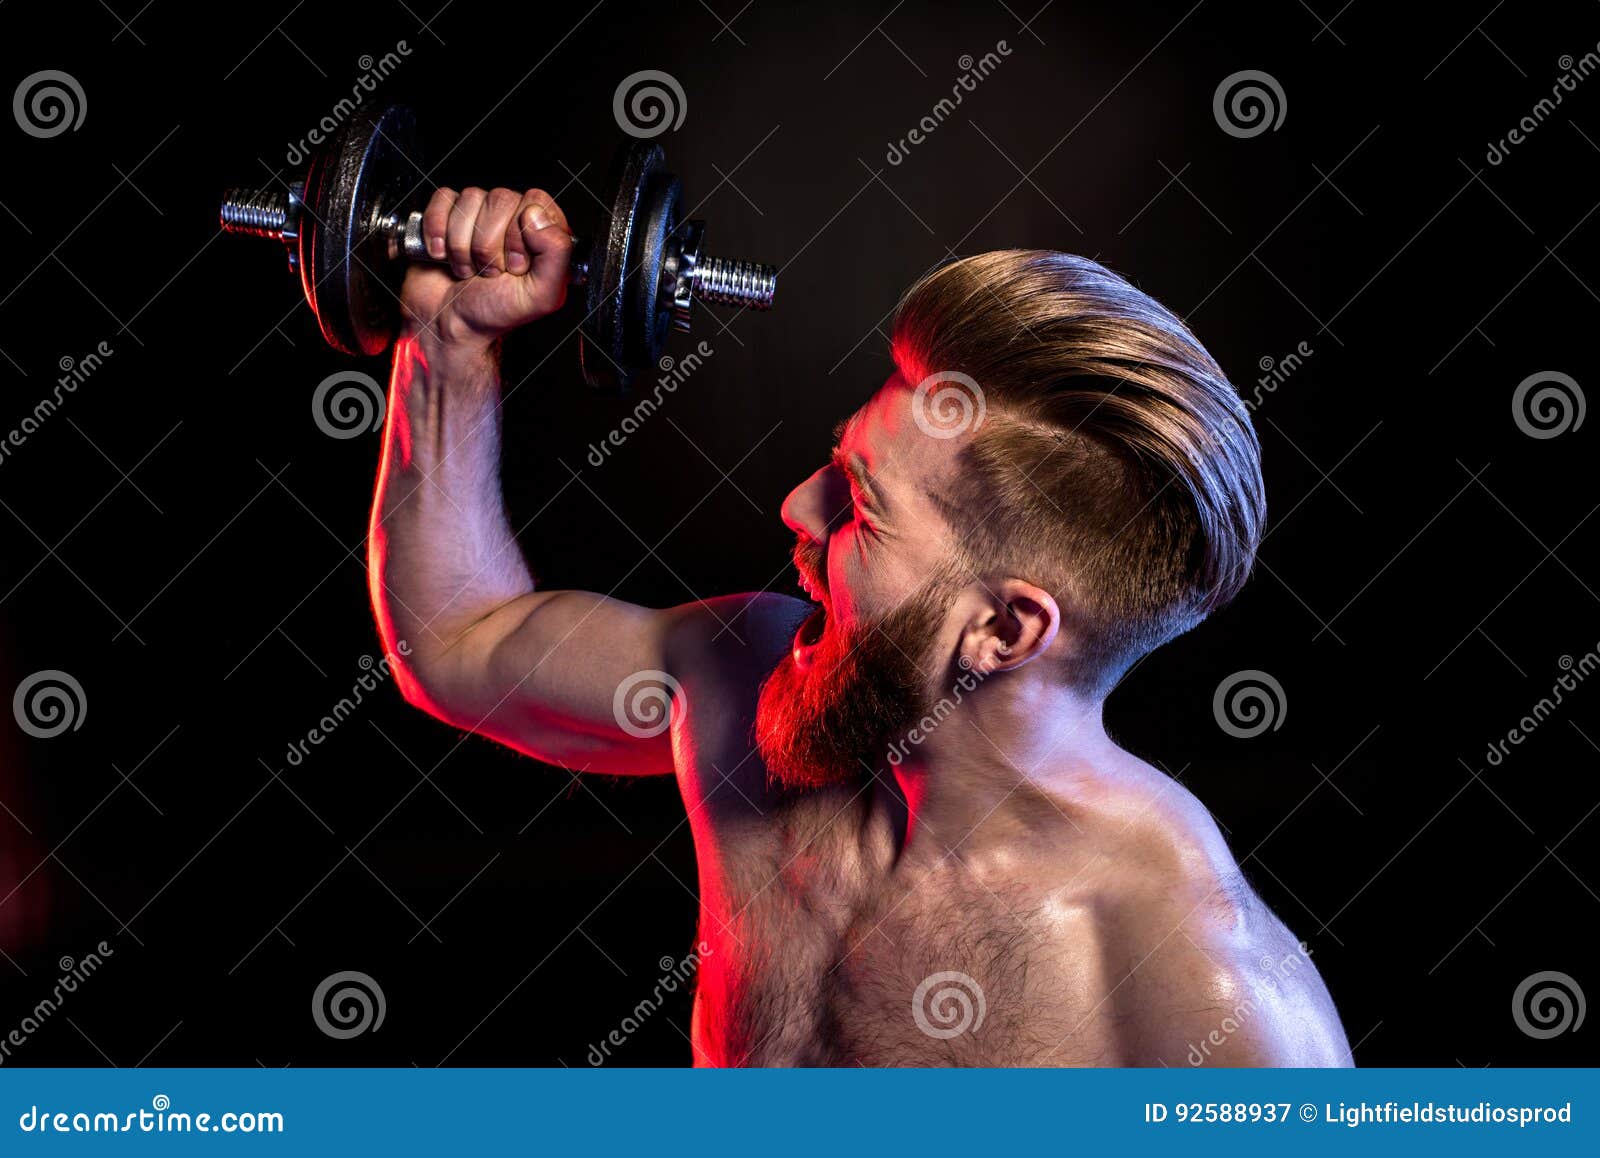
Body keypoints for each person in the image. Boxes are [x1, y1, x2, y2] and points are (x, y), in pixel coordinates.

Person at [366, 184, 1350, 1066]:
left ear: (1003, 631)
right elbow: (458, 641)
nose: (799, 507)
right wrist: (448, 346)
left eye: (861, 506)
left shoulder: (1203, 1005)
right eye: (838, 463)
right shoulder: (743, 682)